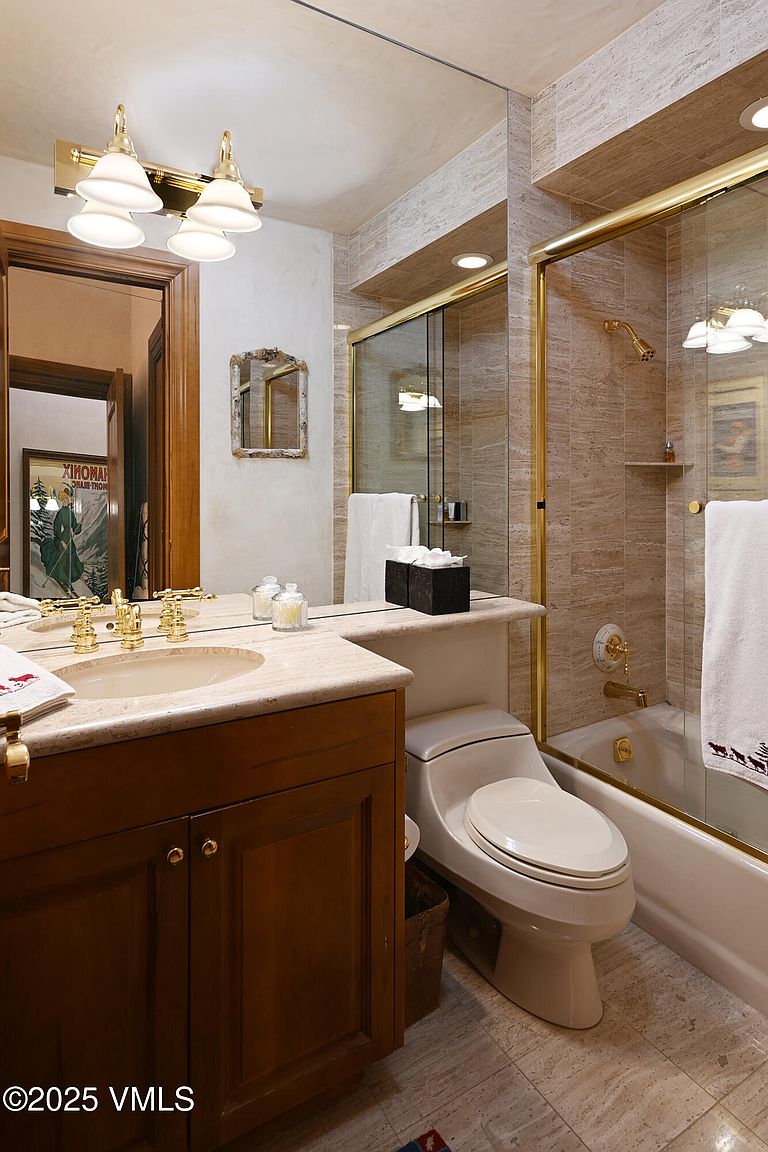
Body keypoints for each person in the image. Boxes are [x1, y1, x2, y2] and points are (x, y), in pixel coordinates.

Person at [39, 486, 85, 595]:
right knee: (63, 561)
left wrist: (81, 523)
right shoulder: (60, 513)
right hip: (63, 538)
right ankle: (64, 581)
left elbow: (75, 529)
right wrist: (61, 542)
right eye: (64, 499)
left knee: (71, 559)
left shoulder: (71, 513)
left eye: (67, 499)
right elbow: (56, 529)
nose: (66, 500)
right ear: (61, 500)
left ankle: (68, 581)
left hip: (69, 537)